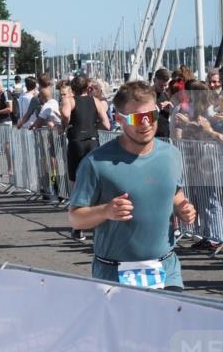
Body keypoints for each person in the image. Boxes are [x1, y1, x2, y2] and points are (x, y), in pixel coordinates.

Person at [68, 81, 196, 291]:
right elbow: (75, 218)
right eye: (137, 118)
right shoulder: (96, 163)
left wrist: (183, 207)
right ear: (119, 119)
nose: (145, 124)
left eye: (151, 115)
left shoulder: (171, 154)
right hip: (115, 272)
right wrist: (106, 211)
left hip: (166, 268)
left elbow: (175, 192)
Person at [61, 76, 110, 241]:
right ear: (87, 87)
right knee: (94, 182)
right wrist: (93, 125)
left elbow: (65, 114)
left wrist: (65, 125)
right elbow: (107, 124)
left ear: (72, 88)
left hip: (77, 142)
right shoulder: (95, 101)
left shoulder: (69, 100)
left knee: (75, 183)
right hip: (92, 142)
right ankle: (97, 225)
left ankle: (77, 228)